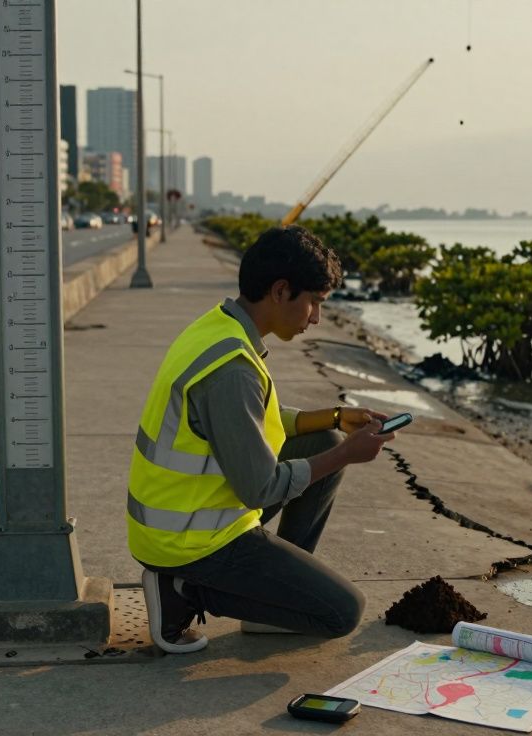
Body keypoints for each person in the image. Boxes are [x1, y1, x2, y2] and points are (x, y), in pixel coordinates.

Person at [128, 225, 395, 654]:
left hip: (190, 514)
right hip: (190, 542)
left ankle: (269, 597)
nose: (316, 318)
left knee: (322, 440)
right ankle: (183, 590)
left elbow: (258, 421)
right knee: (341, 613)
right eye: (314, 303)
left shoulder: (219, 327)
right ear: (280, 291)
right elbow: (262, 488)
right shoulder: (232, 370)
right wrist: (348, 454)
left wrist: (337, 418)